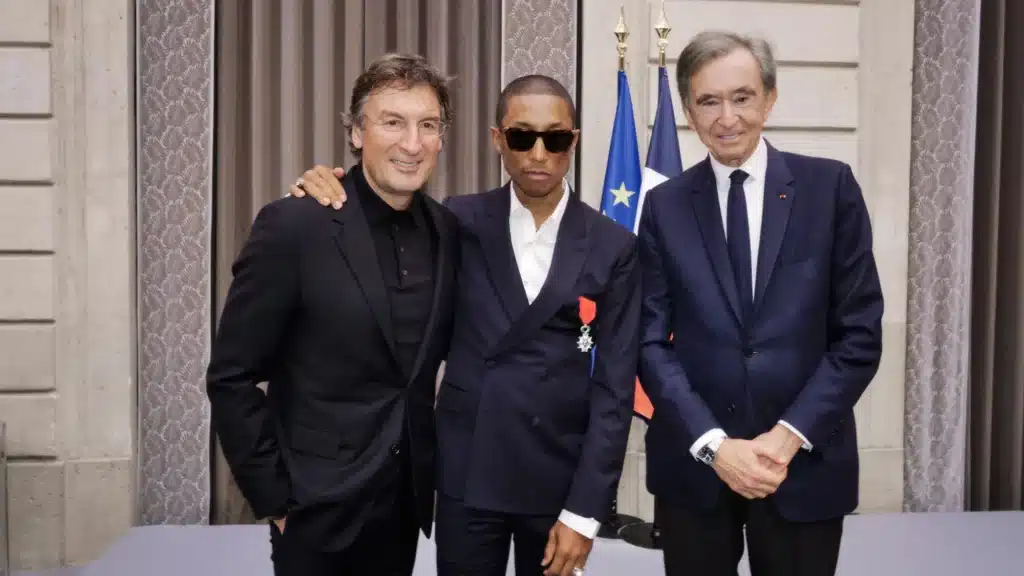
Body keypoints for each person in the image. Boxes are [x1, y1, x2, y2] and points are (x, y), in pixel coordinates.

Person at [292, 74, 641, 576]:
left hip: (558, 479)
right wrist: (323, 183)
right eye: (521, 136)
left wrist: (586, 510)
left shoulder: (613, 246)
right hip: (467, 473)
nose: (538, 153)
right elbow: (373, 213)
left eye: (555, 138)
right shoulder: (454, 221)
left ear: (574, 142)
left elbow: (614, 390)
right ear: (498, 139)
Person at [636, 30, 884, 576]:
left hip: (803, 464)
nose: (727, 117)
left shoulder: (831, 189)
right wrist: (715, 446)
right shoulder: (663, 207)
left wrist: (786, 437)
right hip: (696, 470)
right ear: (687, 110)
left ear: (770, 98)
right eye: (709, 101)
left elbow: (860, 334)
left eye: (743, 97)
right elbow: (649, 341)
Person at [205, 53, 459, 576]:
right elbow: (231, 376)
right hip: (314, 508)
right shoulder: (294, 226)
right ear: (357, 133)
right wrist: (273, 498)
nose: (412, 144)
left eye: (427, 125)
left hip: (404, 506)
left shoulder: (449, 233)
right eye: (393, 122)